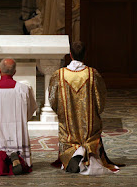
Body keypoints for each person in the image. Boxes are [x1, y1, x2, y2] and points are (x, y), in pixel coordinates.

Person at [48, 41, 120, 175]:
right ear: (85, 55)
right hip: (89, 126)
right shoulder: (93, 74)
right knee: (91, 132)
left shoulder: (59, 75)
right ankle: (87, 153)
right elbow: (101, 98)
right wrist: (96, 112)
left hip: (68, 125)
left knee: (67, 133)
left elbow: (53, 99)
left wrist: (61, 113)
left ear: (70, 54)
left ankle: (72, 155)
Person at [0, 59, 37, 176]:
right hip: (17, 130)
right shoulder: (24, 89)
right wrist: (21, 120)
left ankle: (2, 157)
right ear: (14, 72)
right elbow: (31, 109)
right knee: (16, 144)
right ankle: (16, 156)